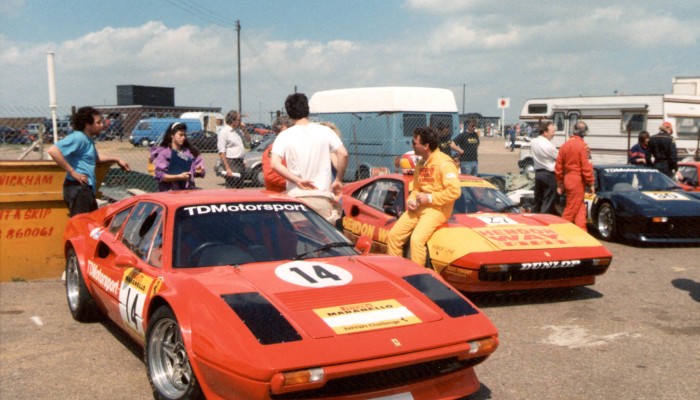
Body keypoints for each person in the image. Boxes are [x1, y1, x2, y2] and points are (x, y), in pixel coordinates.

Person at [386, 126, 460, 266]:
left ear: (426, 146)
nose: (412, 145)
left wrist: (430, 198)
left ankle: (418, 278)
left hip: (438, 209)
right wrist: (411, 200)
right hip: (419, 207)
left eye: (414, 142)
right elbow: (416, 189)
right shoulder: (420, 163)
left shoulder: (445, 163)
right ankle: (397, 271)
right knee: (393, 236)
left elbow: (454, 191)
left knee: (416, 240)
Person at [271, 93, 349, 222]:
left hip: (297, 197)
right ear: (307, 109)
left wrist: (297, 180)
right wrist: (339, 179)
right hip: (321, 196)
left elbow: (274, 164)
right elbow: (343, 154)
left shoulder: (284, 135)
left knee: (300, 237)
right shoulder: (325, 131)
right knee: (325, 238)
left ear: (289, 113)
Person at [47, 106, 130, 216]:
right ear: (87, 125)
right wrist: (72, 172)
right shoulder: (78, 138)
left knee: (91, 224)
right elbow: (53, 151)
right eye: (98, 123)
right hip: (78, 189)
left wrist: (116, 159)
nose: (102, 125)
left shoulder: (87, 140)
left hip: (85, 189)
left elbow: (95, 157)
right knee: (80, 226)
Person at [554, 121, 595, 231]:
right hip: (577, 180)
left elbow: (558, 166)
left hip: (567, 179)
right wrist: (591, 183)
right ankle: (560, 231)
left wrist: (560, 181)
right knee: (571, 210)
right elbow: (587, 167)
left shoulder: (564, 145)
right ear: (584, 132)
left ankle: (582, 231)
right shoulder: (583, 146)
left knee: (579, 208)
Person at [151, 122, 205, 191]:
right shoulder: (164, 153)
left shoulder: (190, 153)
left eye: (184, 135)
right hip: (169, 193)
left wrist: (198, 171)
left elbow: (196, 170)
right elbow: (160, 175)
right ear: (172, 135)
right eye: (180, 135)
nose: (183, 137)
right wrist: (178, 177)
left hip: (187, 192)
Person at [531, 121, 559, 214]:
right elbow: (559, 158)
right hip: (549, 175)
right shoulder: (549, 146)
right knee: (548, 201)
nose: (553, 134)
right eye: (552, 132)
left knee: (537, 200)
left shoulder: (534, 142)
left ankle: (534, 219)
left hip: (538, 174)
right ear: (545, 132)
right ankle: (544, 220)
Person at [262, 115, 294, 192]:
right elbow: (271, 175)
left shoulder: (292, 147)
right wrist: (294, 181)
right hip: (278, 195)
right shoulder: (273, 149)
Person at [218, 110, 248, 188]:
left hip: (240, 162)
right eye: (238, 120)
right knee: (232, 187)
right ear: (232, 120)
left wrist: (244, 129)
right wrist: (227, 168)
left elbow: (248, 139)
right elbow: (222, 152)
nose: (240, 121)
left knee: (240, 186)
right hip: (231, 162)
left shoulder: (238, 131)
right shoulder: (224, 132)